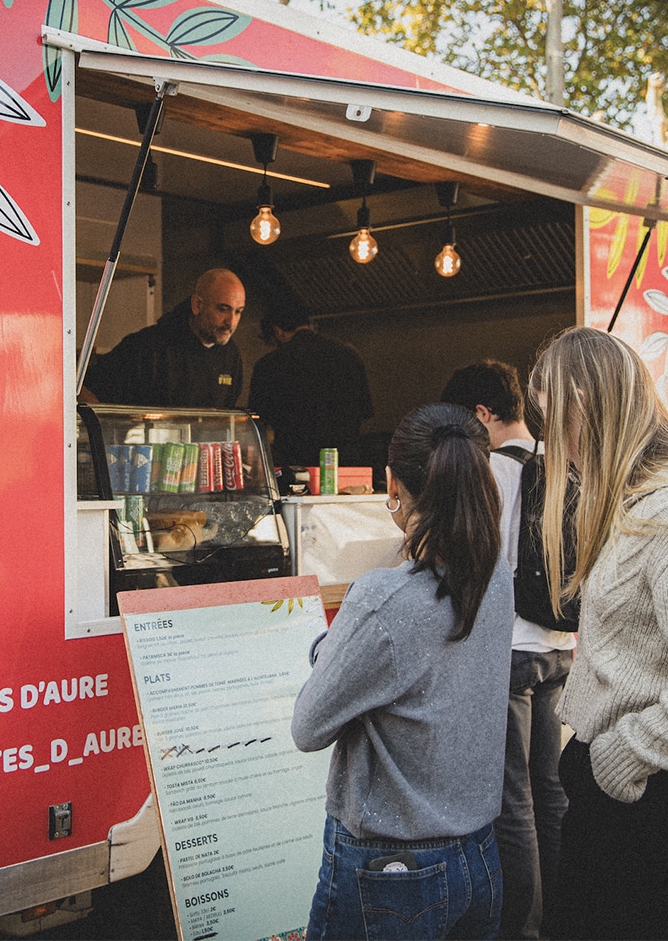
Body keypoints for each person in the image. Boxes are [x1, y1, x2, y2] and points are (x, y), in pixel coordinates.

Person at [528, 327, 668, 940]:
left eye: (551, 422)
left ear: (584, 408)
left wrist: (624, 757)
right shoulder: (633, 501)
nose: (552, 445)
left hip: (659, 803)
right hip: (627, 796)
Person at [292, 403, 514, 940]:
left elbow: (308, 726)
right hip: (480, 856)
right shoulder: (496, 578)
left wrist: (331, 648)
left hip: (391, 872)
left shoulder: (383, 599)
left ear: (392, 485)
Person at [441, 358, 575, 941]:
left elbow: (459, 557)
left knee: (512, 799)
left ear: (480, 414)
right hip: (559, 647)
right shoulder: (559, 463)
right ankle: (564, 917)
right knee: (552, 791)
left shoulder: (487, 472)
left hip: (509, 652)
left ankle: (518, 927)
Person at [84, 267, 246, 407]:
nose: (230, 322)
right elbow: (81, 388)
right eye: (223, 309)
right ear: (197, 305)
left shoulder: (231, 355)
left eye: (238, 312)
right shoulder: (147, 347)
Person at [249, 295, 374, 467]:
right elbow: (365, 414)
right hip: (345, 464)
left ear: (278, 331)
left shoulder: (269, 365)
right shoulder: (350, 355)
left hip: (295, 466)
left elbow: (257, 425)